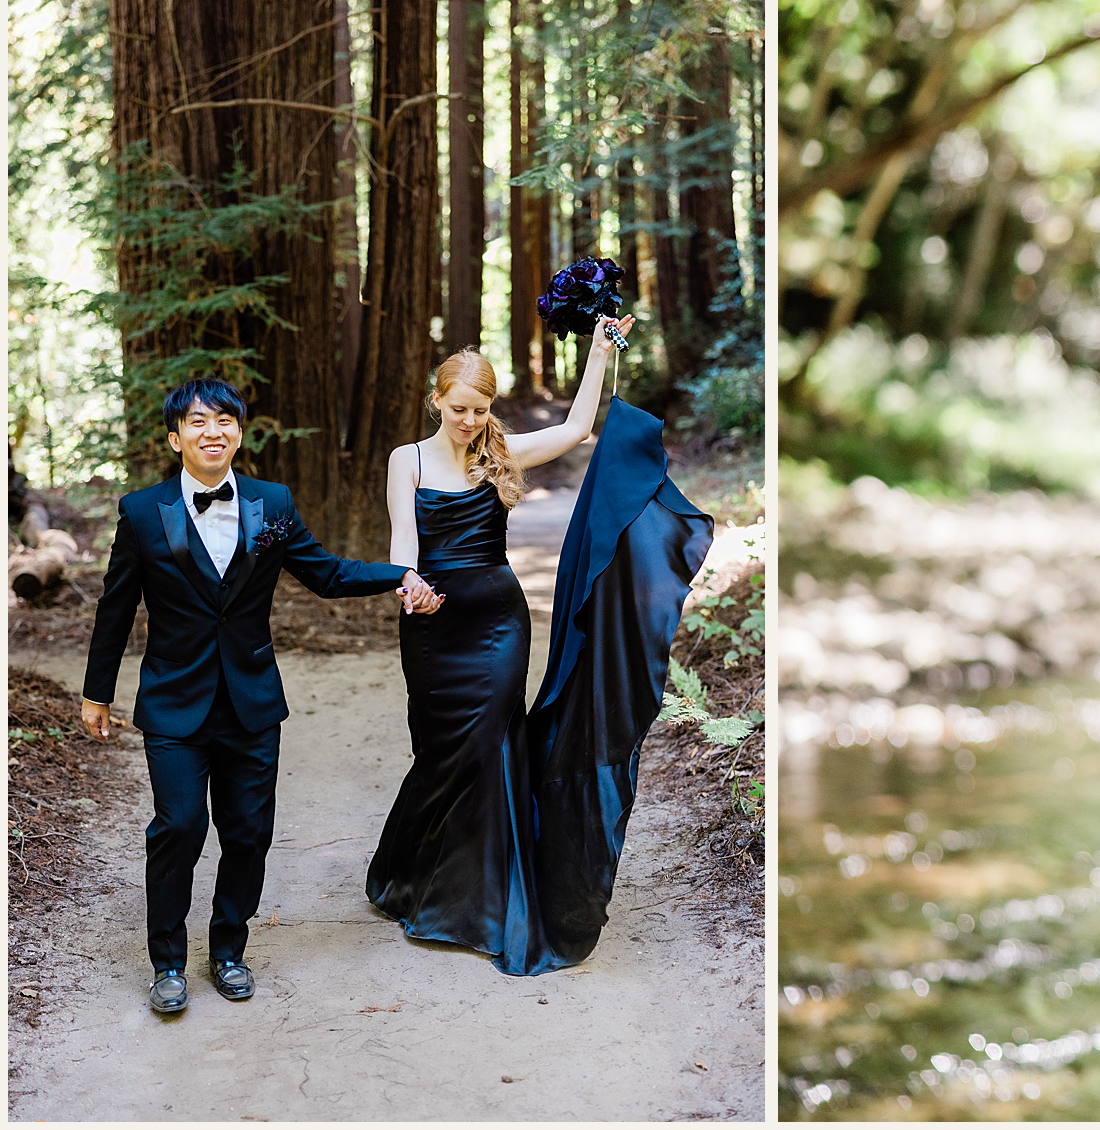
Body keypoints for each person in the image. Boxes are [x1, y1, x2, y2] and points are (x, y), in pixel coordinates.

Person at [81, 378, 443, 1015]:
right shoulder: (142, 512)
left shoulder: (271, 503)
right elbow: (116, 609)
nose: (212, 431)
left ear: (239, 433)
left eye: (225, 421)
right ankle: (167, 962)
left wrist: (400, 575)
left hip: (251, 700)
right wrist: (96, 693)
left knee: (248, 832)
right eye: (198, 422)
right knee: (179, 826)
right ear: (175, 439)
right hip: (173, 701)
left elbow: (326, 573)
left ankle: (227, 951)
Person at [366, 317, 713, 977]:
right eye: (459, 409)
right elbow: (402, 541)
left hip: (497, 623)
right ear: (436, 401)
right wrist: (406, 583)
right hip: (433, 627)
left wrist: (599, 352)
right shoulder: (405, 461)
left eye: (481, 409)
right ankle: (408, 872)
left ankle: (491, 902)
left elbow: (579, 428)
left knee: (494, 742)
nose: (469, 421)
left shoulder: (498, 453)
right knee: (442, 752)